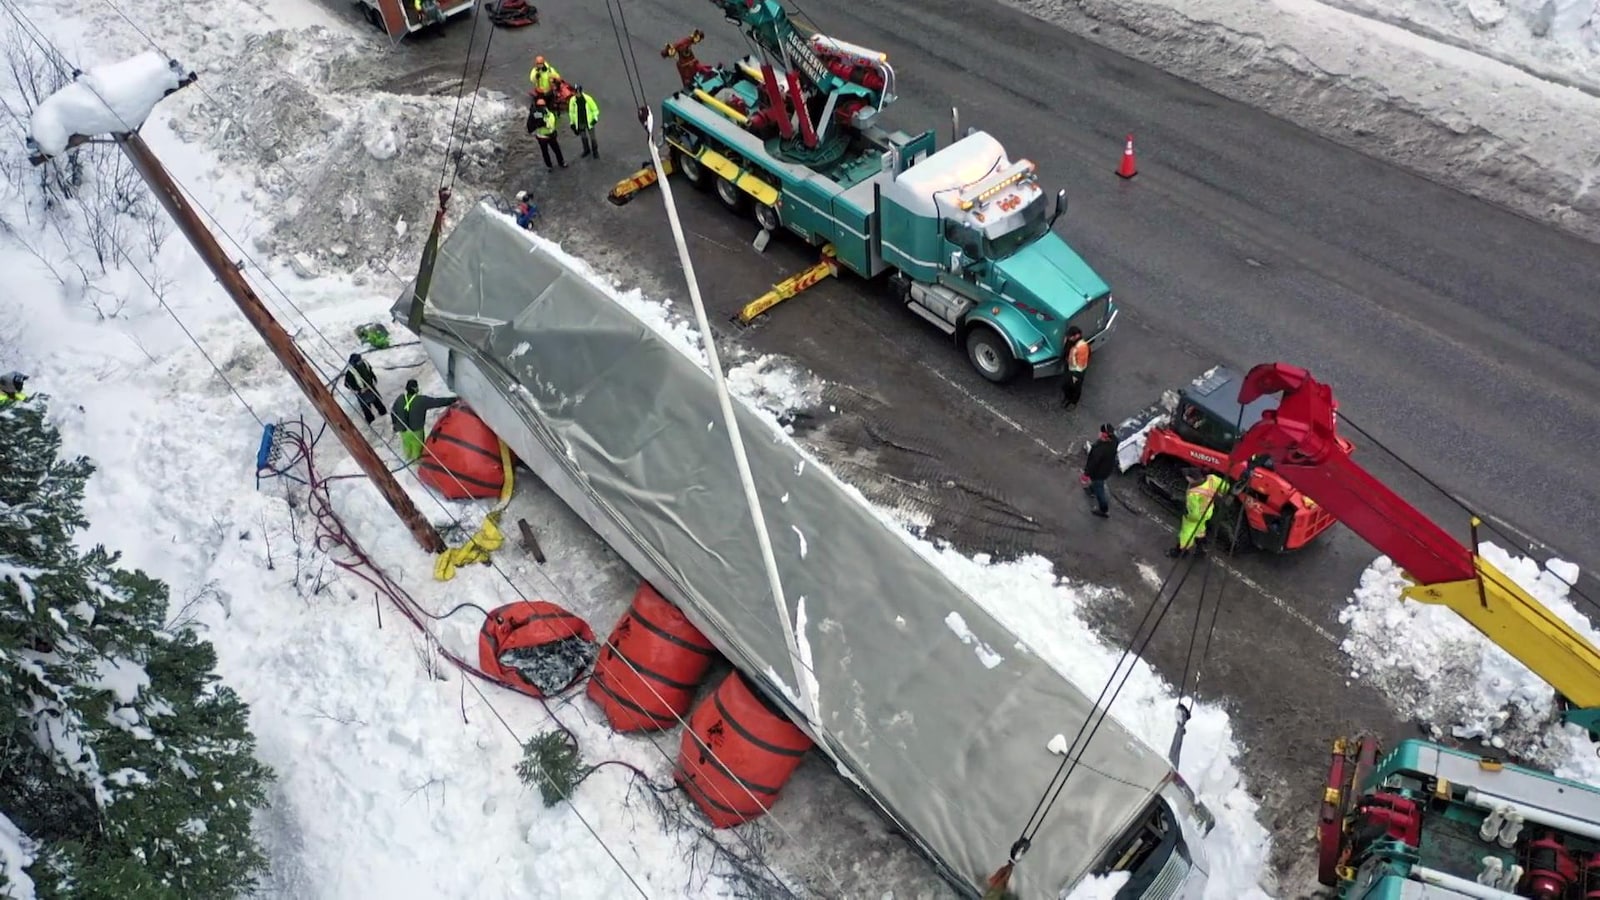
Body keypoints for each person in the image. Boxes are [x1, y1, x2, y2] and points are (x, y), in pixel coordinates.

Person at [391, 379, 457, 463]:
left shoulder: (400, 398)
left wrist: (395, 424)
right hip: (416, 431)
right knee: (417, 447)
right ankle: (415, 462)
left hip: (403, 430)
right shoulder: (421, 400)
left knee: (406, 444)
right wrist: (453, 400)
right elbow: (437, 402)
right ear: (415, 388)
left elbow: (393, 412)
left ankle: (407, 458)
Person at [1167, 468, 1228, 558]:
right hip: (1208, 512)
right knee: (1200, 530)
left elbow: (1194, 513)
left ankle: (1181, 552)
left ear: (1192, 479)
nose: (1186, 479)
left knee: (1187, 533)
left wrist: (1189, 518)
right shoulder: (1212, 479)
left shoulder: (1193, 494)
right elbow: (1225, 486)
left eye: (1187, 477)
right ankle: (1201, 550)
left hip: (1196, 516)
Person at [1080, 423, 1118, 519]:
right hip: (1107, 469)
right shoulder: (1114, 441)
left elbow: (1093, 463)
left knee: (1099, 490)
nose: (1099, 433)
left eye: (1101, 432)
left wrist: (1086, 474)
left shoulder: (1100, 449)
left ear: (1104, 434)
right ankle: (1091, 490)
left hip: (1099, 473)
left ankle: (1103, 510)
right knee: (1097, 484)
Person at [342, 352, 387, 425]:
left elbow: (370, 371)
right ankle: (371, 419)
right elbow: (347, 384)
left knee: (376, 402)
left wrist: (374, 380)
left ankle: (382, 413)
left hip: (370, 387)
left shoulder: (364, 364)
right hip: (362, 391)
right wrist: (357, 390)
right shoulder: (350, 372)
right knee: (366, 407)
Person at [527, 96, 566, 170]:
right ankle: (550, 165)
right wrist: (539, 124)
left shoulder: (545, 112)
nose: (543, 107)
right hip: (543, 137)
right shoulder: (537, 114)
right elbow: (530, 127)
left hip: (550, 135)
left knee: (556, 150)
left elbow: (552, 121)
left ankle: (560, 162)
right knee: (546, 152)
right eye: (541, 105)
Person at [1060, 326, 1089, 409]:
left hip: (1076, 372)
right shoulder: (1071, 341)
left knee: (1075, 387)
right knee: (1066, 385)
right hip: (1070, 366)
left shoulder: (1082, 347)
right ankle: (1068, 397)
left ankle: (1073, 401)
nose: (1069, 338)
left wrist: (1075, 376)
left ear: (1077, 336)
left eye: (1070, 336)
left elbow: (1081, 366)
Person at [568, 84, 600, 159]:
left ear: (581, 92)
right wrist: (572, 123)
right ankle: (586, 150)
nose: (576, 94)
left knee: (593, 138)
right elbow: (571, 112)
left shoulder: (588, 99)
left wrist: (595, 119)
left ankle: (595, 151)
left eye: (577, 92)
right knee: (583, 137)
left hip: (589, 122)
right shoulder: (572, 100)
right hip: (580, 122)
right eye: (575, 92)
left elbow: (595, 110)